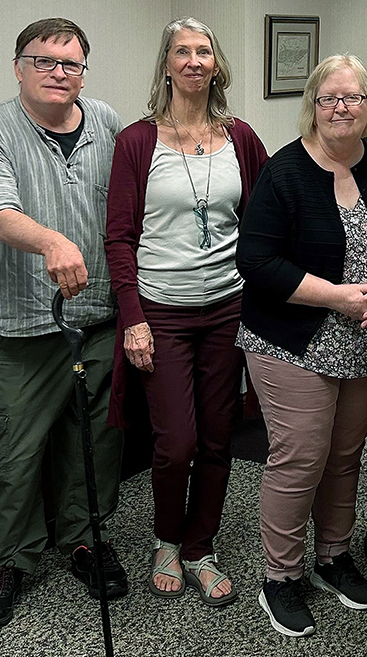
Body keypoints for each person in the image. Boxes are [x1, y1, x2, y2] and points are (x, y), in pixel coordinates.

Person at [236, 55, 367, 637]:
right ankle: (281, 576)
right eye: (329, 99)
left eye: (353, 98)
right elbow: (256, 262)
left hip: (364, 336)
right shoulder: (284, 172)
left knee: (345, 455)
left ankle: (332, 557)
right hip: (291, 339)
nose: (341, 108)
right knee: (301, 457)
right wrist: (339, 298)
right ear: (313, 107)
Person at [0, 19, 126, 629]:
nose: (59, 73)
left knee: (94, 444)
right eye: (45, 61)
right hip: (25, 325)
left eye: (71, 64)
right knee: (14, 452)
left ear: (84, 72)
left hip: (98, 318)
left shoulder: (106, 122)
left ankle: (84, 540)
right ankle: (7, 560)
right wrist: (51, 240)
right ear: (19, 67)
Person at [104, 18, 268, 607]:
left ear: (216, 65)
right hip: (162, 314)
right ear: (167, 65)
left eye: (204, 51)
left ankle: (200, 547)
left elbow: (266, 217)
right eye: (182, 52)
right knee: (176, 443)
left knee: (219, 438)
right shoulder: (137, 141)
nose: (194, 61)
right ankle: (166, 540)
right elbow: (119, 238)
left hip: (227, 310)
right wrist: (133, 318)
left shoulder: (240, 138)